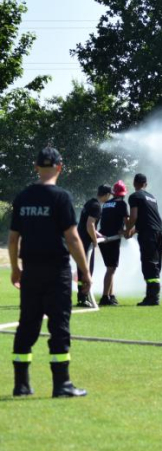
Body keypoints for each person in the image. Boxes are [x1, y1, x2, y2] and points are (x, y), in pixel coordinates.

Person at [8, 147, 91, 398]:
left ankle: (21, 385)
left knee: (27, 326)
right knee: (59, 326)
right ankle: (62, 384)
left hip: (30, 271)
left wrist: (15, 269)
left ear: (36, 167)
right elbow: (73, 238)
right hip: (57, 272)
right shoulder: (61, 197)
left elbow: (13, 240)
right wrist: (85, 272)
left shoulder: (22, 197)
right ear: (60, 167)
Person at [126, 173, 162, 306]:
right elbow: (148, 218)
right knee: (156, 264)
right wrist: (135, 230)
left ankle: (153, 298)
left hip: (148, 234)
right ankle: (152, 296)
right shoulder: (152, 197)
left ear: (134, 183)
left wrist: (127, 230)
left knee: (149, 264)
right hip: (159, 233)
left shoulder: (134, 196)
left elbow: (134, 217)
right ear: (145, 184)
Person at [75, 184, 113, 307]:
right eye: (109, 195)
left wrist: (99, 235)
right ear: (106, 194)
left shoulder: (90, 203)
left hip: (80, 240)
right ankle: (83, 298)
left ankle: (82, 297)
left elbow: (90, 225)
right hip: (86, 243)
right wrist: (95, 241)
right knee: (87, 270)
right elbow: (90, 225)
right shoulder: (97, 206)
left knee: (82, 270)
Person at [97, 180, 131, 306]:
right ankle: (105, 297)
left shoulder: (107, 203)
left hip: (103, 238)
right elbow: (127, 221)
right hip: (112, 239)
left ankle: (111, 295)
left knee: (111, 268)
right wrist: (127, 232)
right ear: (123, 194)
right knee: (111, 269)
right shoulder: (122, 204)